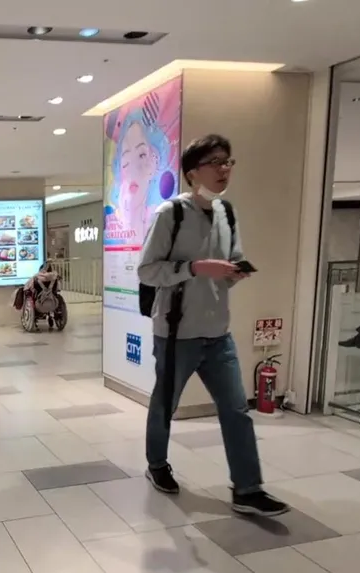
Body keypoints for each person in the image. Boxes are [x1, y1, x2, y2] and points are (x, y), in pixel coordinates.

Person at [137, 135, 289, 517]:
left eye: (228, 162)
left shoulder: (227, 213)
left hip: (218, 332)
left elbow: (231, 259)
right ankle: (157, 464)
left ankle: (248, 489)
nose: (224, 169)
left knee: (236, 410)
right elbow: (147, 270)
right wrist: (195, 268)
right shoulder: (170, 214)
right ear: (192, 173)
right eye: (215, 162)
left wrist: (233, 273)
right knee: (165, 405)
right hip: (176, 332)